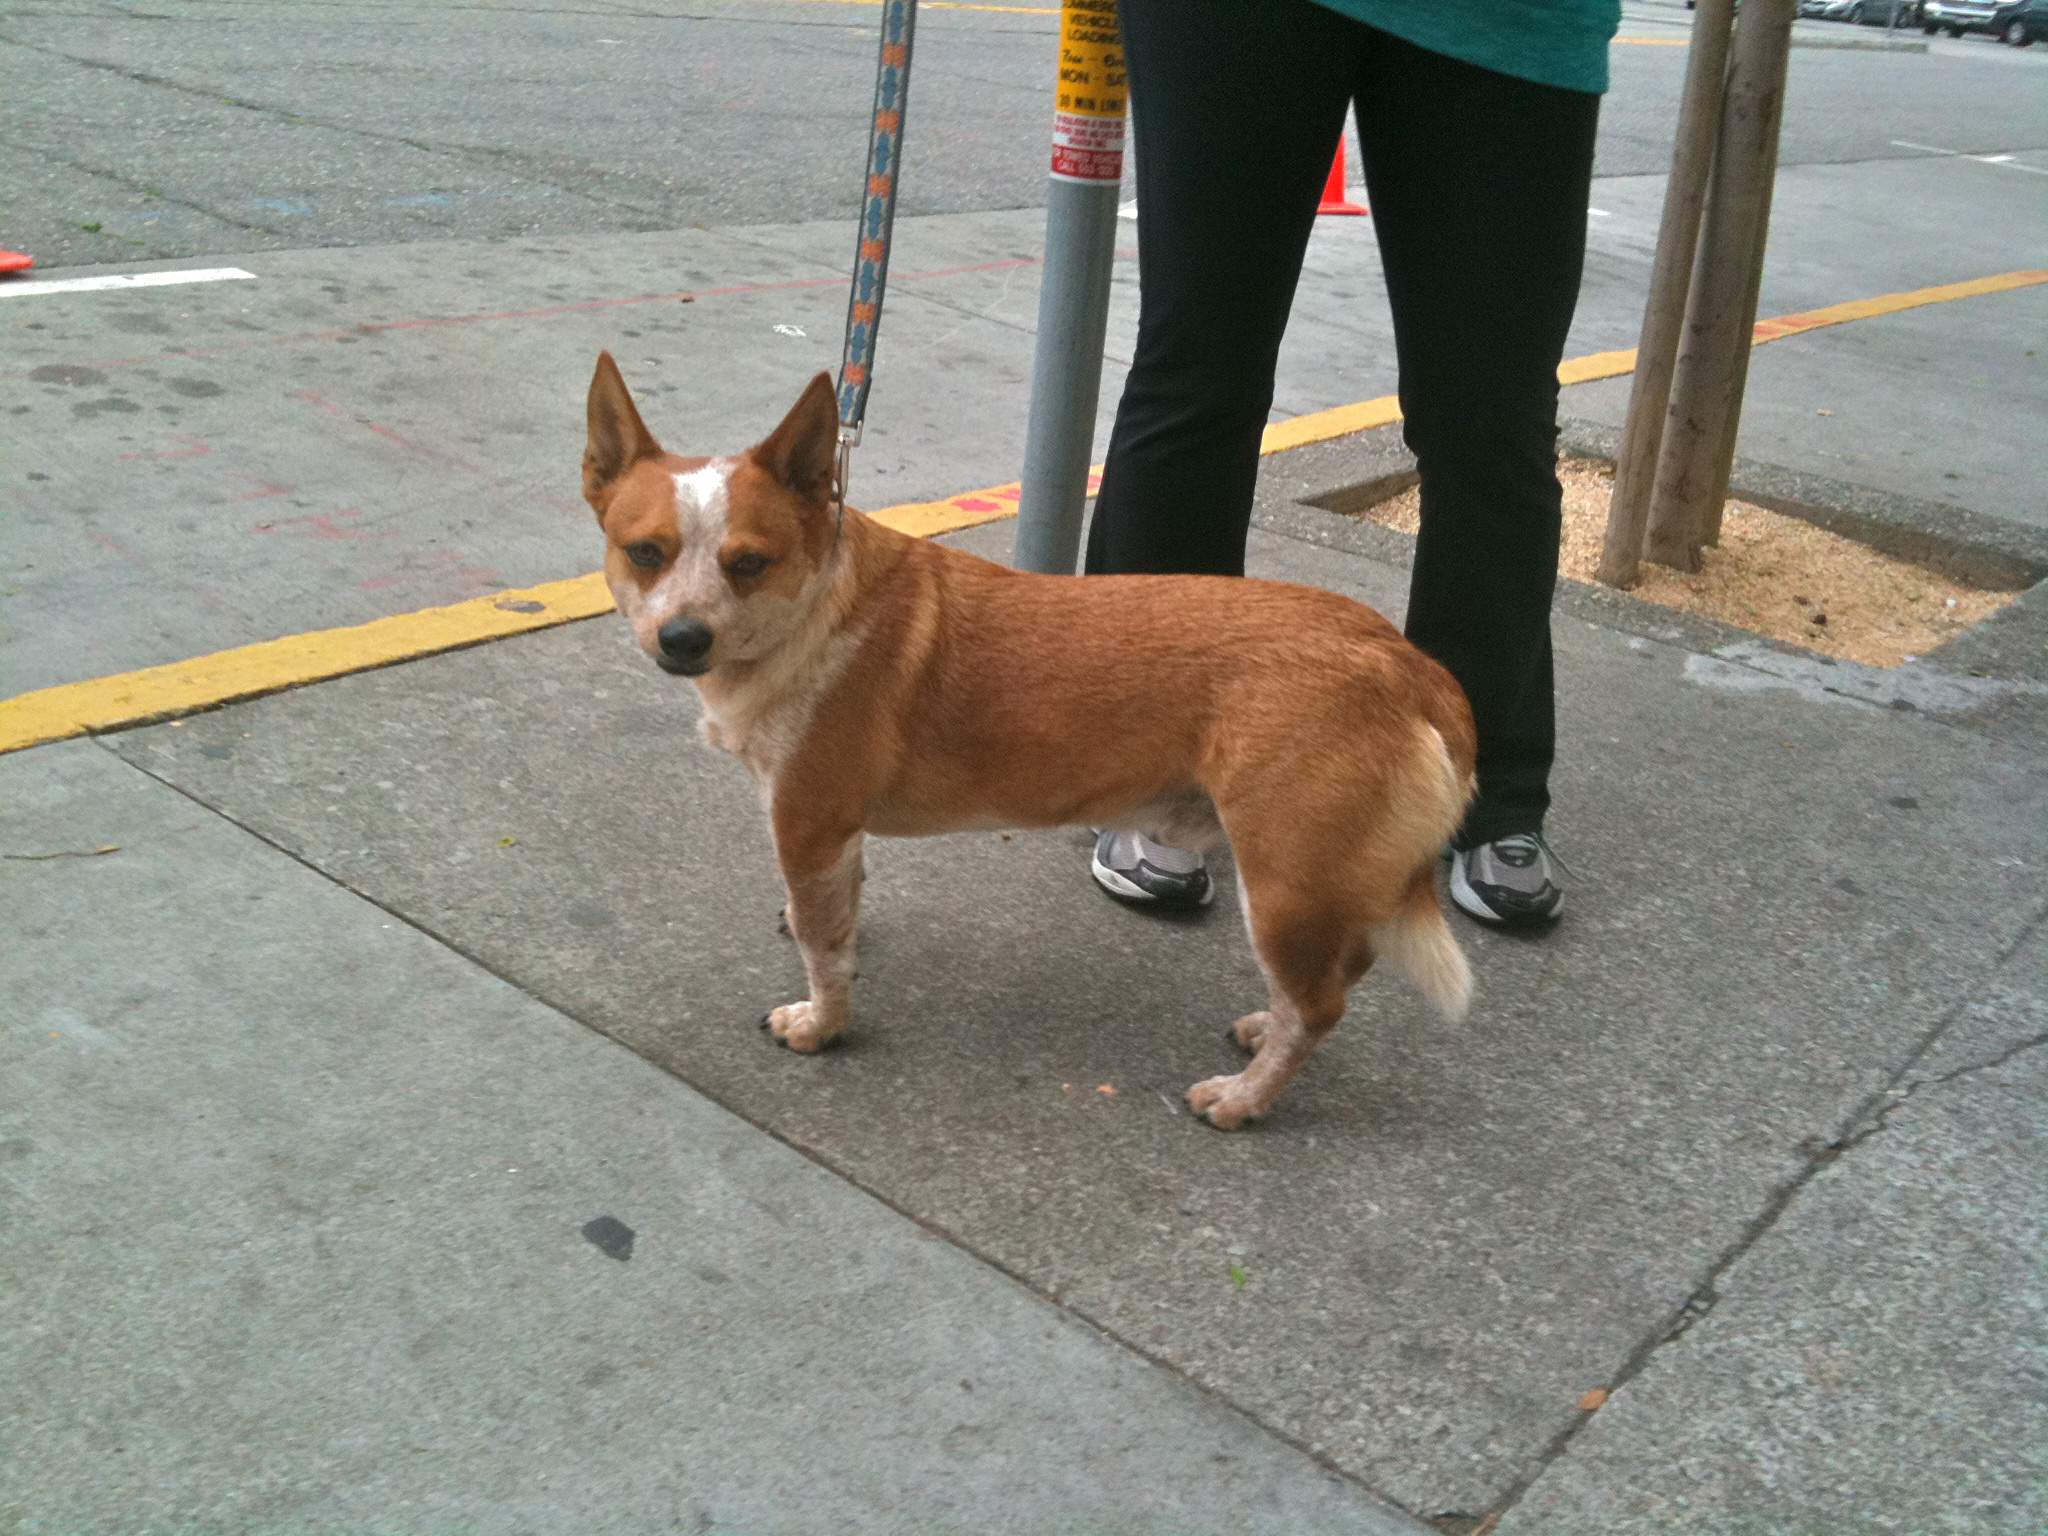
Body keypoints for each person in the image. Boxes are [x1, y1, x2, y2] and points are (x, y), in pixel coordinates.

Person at [1085, 0, 1618, 927]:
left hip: (1520, 17)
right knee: (1199, 373)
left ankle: (1483, 786)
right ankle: (1146, 770)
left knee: (1493, 418)